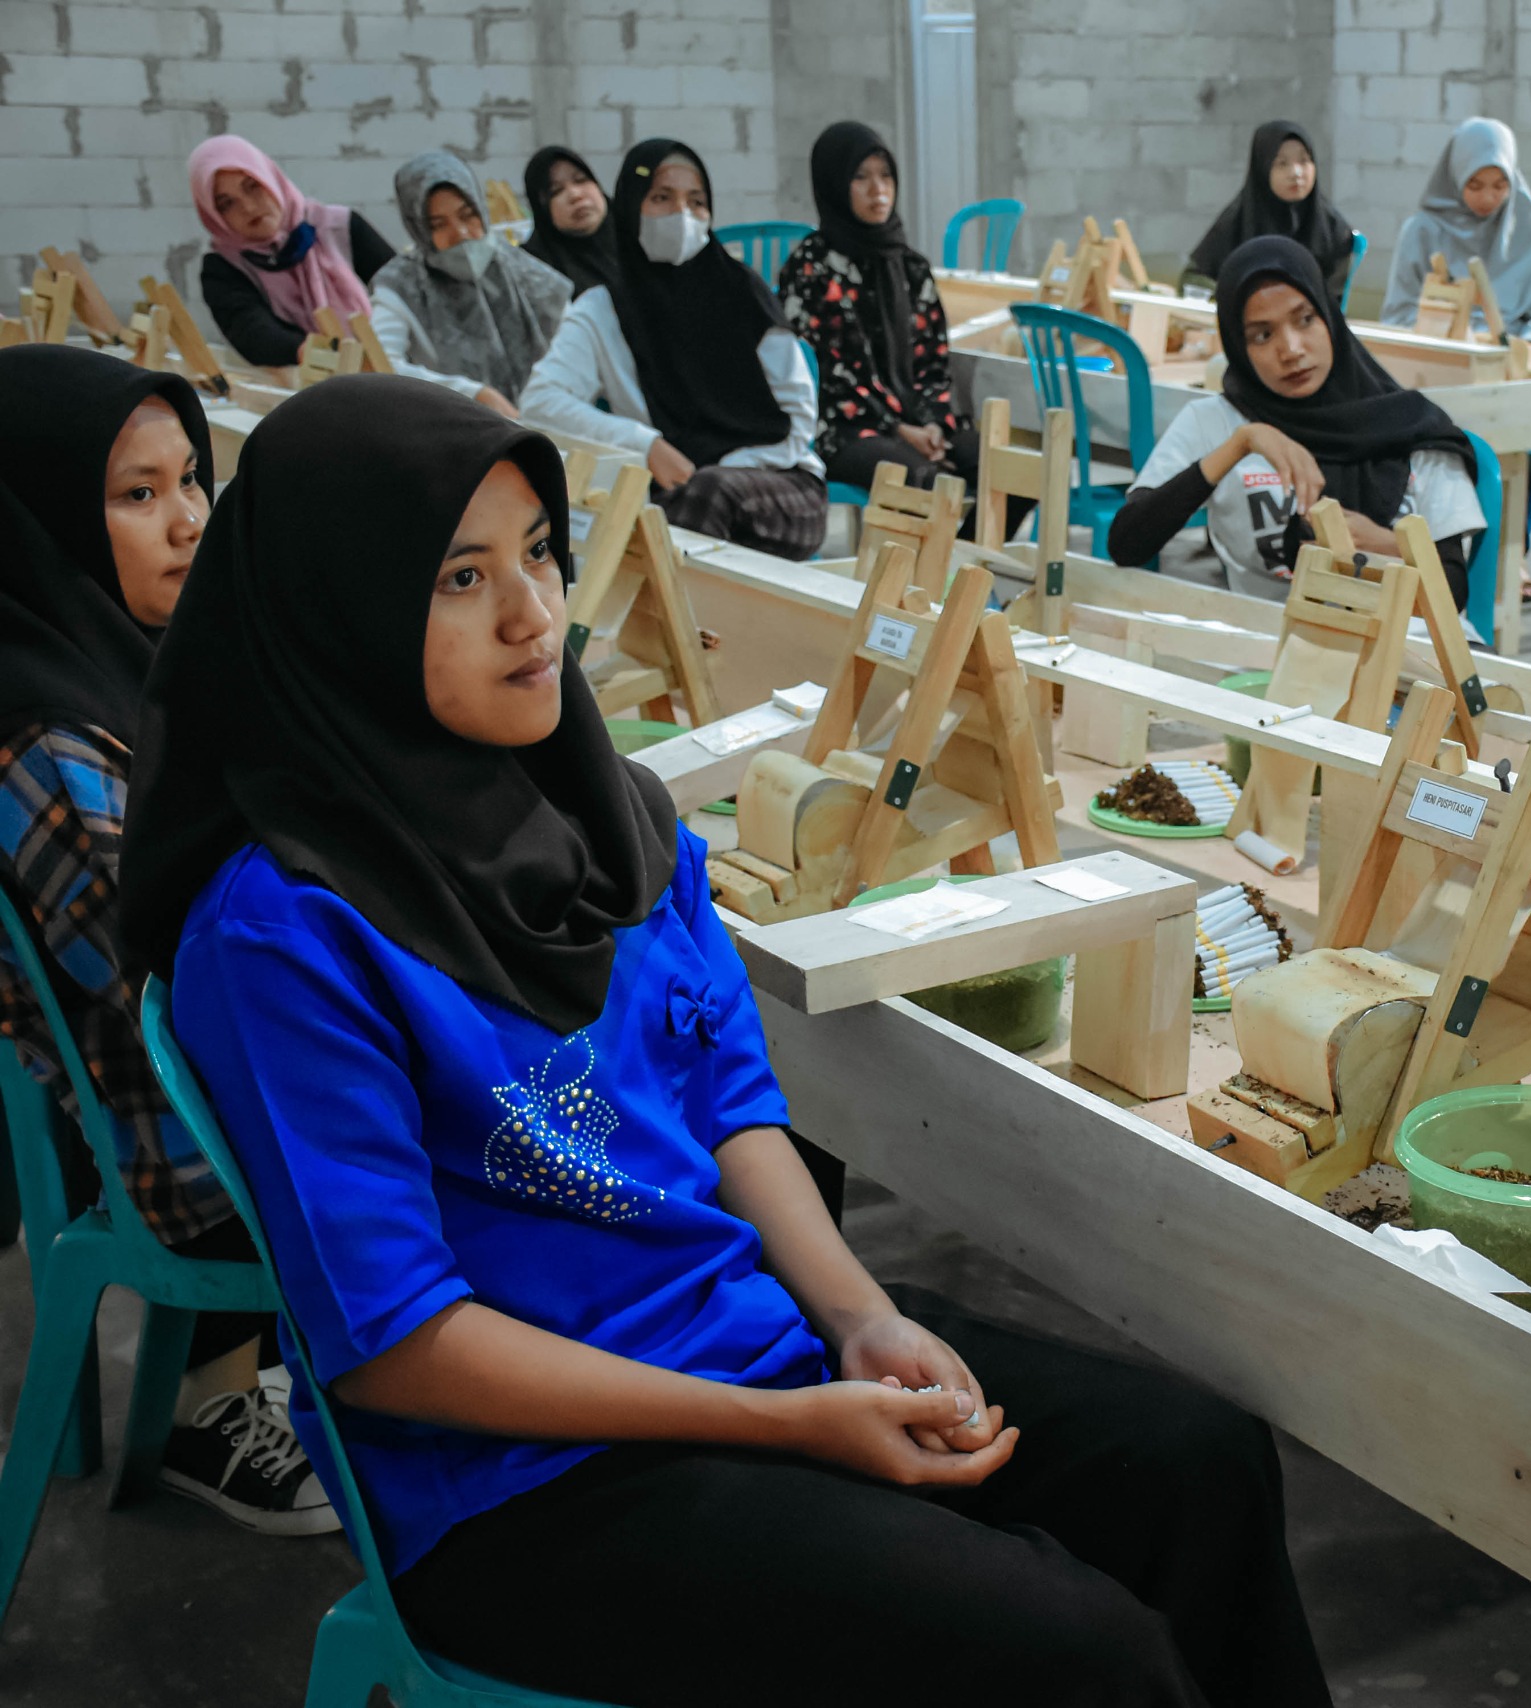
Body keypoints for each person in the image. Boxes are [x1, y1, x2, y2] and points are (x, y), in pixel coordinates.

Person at [124, 374, 1332, 1706]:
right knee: (1079, 1656)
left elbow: (729, 1100)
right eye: (459, 580)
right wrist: (792, 1426)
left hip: (737, 1333)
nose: (534, 616)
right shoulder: (286, 931)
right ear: (336, 608)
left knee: (1198, 1460)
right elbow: (401, 1339)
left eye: (537, 552)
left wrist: (859, 1319)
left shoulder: (601, 810)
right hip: (527, 1484)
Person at [0, 345, 335, 1537]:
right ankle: (220, 1402)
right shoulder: (47, 739)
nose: (190, 521)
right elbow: (175, 979)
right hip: (185, 1119)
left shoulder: (120, 661)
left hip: (224, 1063)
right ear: (40, 517)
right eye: (138, 496)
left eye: (194, 480)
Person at [1110, 236, 1482, 605]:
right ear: (1239, 348)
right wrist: (1242, 443)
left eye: (1305, 320)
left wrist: (1385, 547)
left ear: (1329, 317)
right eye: (1262, 335)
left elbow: (1454, 592)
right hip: (1276, 649)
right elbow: (1127, 545)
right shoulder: (1215, 424)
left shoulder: (1411, 426)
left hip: (1406, 647)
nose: (1291, 350)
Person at [520, 139, 827, 560]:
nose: (682, 215)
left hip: (783, 487)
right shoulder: (604, 308)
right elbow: (539, 401)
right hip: (672, 492)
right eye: (661, 198)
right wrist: (645, 445)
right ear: (629, 206)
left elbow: (798, 415)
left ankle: (680, 626)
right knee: (653, 518)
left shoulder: (743, 292)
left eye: (696, 201)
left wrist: (727, 466)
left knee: (700, 498)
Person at [777, 123, 975, 500]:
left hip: (915, 419)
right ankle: (931, 558)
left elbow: (933, 362)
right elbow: (826, 378)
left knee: (1007, 470)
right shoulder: (812, 269)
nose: (878, 190)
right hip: (841, 426)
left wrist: (932, 423)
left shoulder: (911, 268)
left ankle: (960, 557)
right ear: (834, 185)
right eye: (861, 177)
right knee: (921, 479)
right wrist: (898, 429)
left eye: (886, 176)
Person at [367, 150, 574, 417]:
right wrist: (471, 394)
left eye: (467, 215)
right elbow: (381, 364)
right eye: (439, 224)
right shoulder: (402, 284)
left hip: (546, 431)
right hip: (450, 429)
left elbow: (575, 352)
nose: (461, 234)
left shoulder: (523, 271)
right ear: (418, 229)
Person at [189, 135, 391, 370]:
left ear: (270, 177)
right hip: (303, 387)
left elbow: (402, 294)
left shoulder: (339, 227)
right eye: (227, 204)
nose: (249, 207)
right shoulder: (223, 267)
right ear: (214, 215)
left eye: (253, 186)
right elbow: (251, 331)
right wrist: (311, 353)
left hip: (387, 364)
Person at [1379, 118, 1531, 347]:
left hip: (1511, 358)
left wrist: (1530, 346)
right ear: (1456, 178)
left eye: (1500, 186)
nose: (1488, 198)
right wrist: (1449, 334)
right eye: (1475, 186)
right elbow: (1399, 314)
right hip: (1439, 352)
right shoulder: (1422, 233)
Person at [1188, 121, 1359, 306]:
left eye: (1304, 160)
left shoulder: (1333, 229)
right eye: (1281, 163)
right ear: (1262, 168)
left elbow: (1335, 300)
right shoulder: (1237, 221)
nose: (1296, 173)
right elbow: (1193, 279)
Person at [520, 145, 620, 300]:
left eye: (581, 180)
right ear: (542, 210)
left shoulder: (639, 237)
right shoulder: (533, 271)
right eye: (556, 191)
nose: (575, 195)